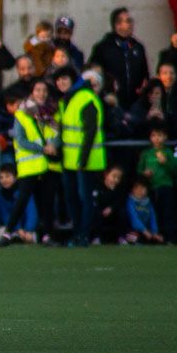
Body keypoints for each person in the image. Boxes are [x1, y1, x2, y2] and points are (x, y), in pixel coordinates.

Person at [56, 67, 106, 247]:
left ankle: (83, 235)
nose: (61, 83)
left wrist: (82, 159)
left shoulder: (85, 98)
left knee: (85, 198)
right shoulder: (67, 99)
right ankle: (78, 233)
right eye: (59, 80)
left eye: (65, 79)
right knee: (72, 197)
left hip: (84, 160)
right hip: (69, 160)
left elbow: (90, 131)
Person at [89, 7, 150, 110]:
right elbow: (93, 73)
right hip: (112, 104)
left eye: (131, 21)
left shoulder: (138, 47)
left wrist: (143, 88)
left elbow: (145, 73)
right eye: (128, 21)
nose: (131, 24)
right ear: (117, 25)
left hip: (135, 104)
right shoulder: (103, 48)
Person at [126, 178, 163, 244]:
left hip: (146, 231)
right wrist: (144, 230)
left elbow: (152, 218)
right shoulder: (130, 201)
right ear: (132, 189)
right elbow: (134, 218)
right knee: (133, 237)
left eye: (142, 188)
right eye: (137, 188)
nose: (139, 191)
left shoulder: (148, 202)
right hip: (134, 230)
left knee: (159, 239)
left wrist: (154, 232)